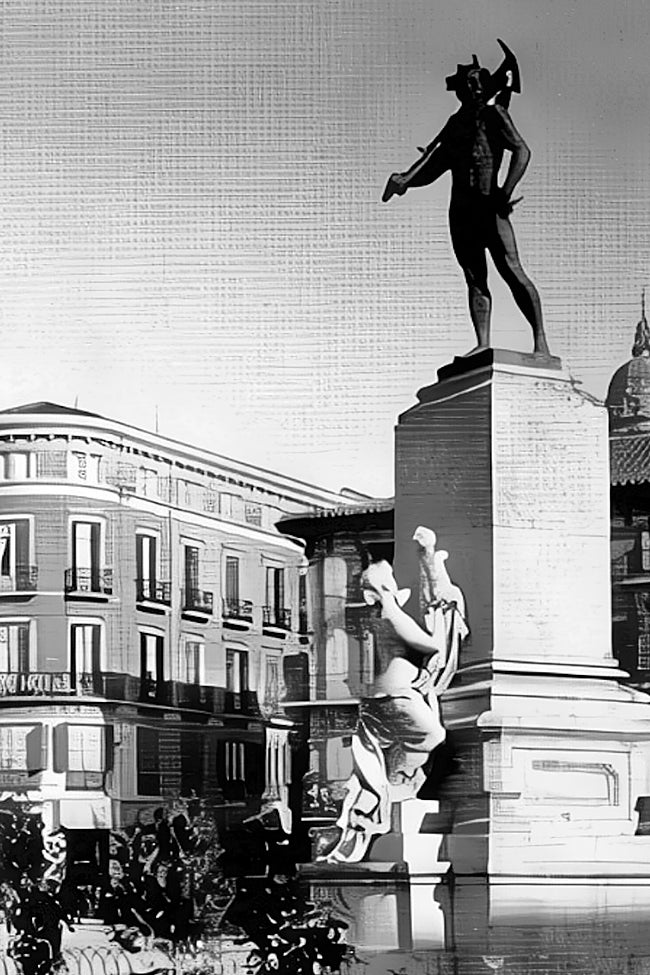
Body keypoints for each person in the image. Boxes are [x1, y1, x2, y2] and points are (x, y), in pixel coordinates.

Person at [382, 41, 551, 357]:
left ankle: (540, 341)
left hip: (490, 207)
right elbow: (434, 166)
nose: (474, 89)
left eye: (478, 83)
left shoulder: (495, 115)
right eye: (468, 84)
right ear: (460, 91)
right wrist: (406, 181)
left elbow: (522, 151)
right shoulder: (455, 125)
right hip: (461, 211)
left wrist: (506, 191)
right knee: (475, 279)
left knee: (513, 272)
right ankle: (483, 343)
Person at [323, 527, 468, 864]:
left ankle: (391, 790)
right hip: (394, 696)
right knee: (432, 735)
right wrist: (441, 624)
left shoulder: (380, 614)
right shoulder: (389, 612)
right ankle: (394, 790)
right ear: (384, 589)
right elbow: (427, 644)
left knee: (412, 745)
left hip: (385, 697)